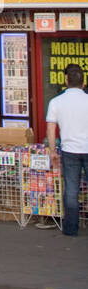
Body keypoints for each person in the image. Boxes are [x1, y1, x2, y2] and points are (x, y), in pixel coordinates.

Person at [46, 63, 88, 238]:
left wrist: (52, 151)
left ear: (66, 80)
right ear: (83, 82)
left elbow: (50, 129)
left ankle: (71, 228)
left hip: (69, 150)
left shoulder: (56, 102)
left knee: (71, 190)